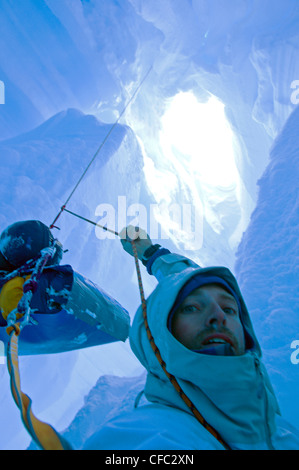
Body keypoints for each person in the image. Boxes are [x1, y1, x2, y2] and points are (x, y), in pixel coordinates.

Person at [83, 226, 299, 450]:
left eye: (229, 308)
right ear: (160, 337)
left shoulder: (277, 428)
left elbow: (184, 281)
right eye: (192, 308)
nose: (218, 315)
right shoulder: (155, 434)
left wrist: (150, 252)